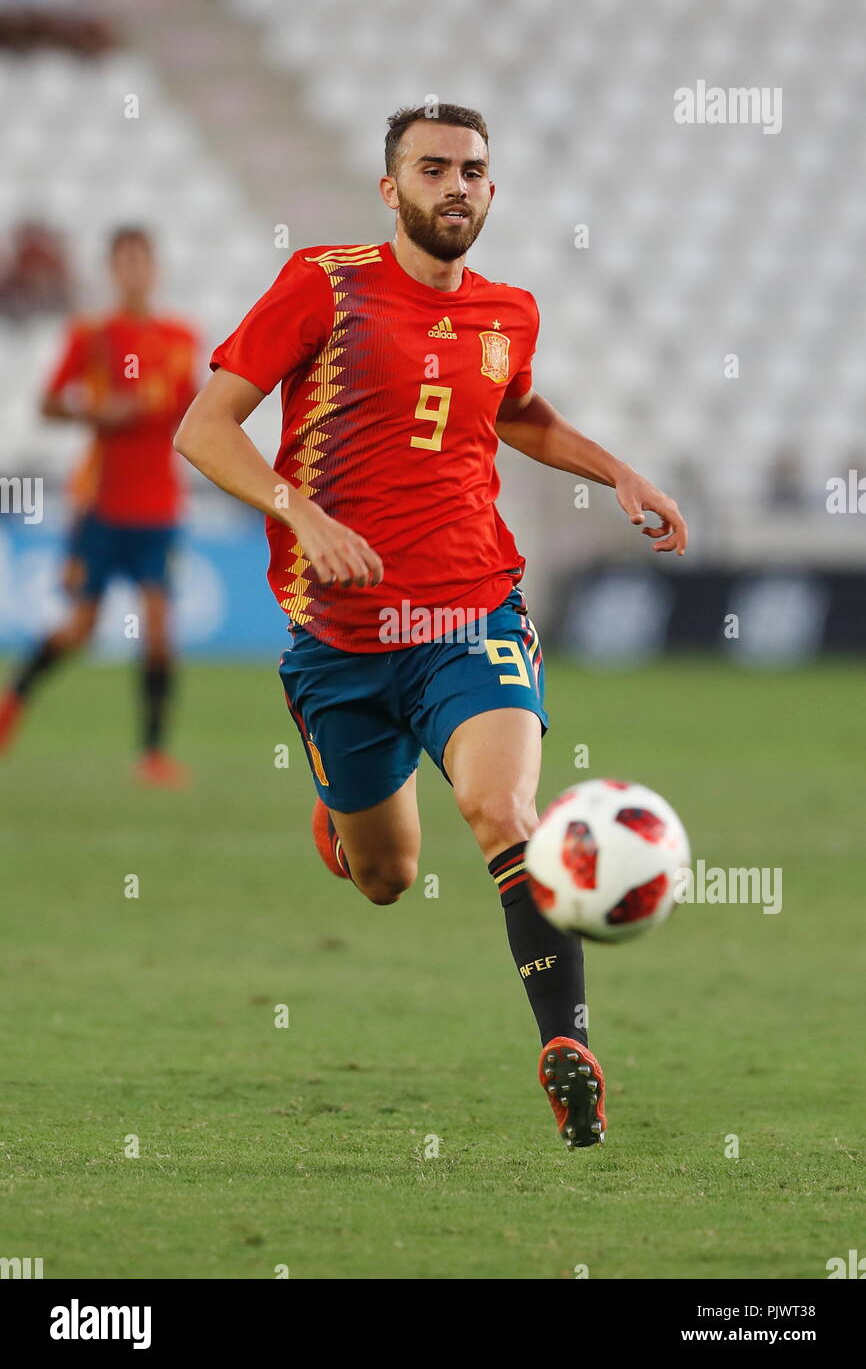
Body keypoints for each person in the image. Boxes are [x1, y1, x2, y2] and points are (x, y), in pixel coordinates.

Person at [173, 105, 687, 1147]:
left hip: (470, 608)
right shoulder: (325, 285)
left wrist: (617, 470)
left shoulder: (509, 311)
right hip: (340, 634)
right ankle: (340, 798)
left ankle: (566, 1047)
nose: (456, 186)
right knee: (385, 877)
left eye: (473, 171)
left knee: (501, 809)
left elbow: (515, 412)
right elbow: (202, 427)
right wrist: (298, 512)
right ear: (390, 187)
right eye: (433, 168)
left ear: (490, 191)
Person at [0, 227, 198, 786]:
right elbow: (47, 404)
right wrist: (98, 411)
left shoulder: (180, 338)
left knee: (159, 629)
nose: (135, 271)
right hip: (102, 505)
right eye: (125, 262)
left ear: (154, 268)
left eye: (142, 260)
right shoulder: (93, 336)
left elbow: (194, 412)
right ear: (113, 270)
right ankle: (12, 703)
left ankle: (153, 753)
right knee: (80, 628)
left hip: (160, 507)